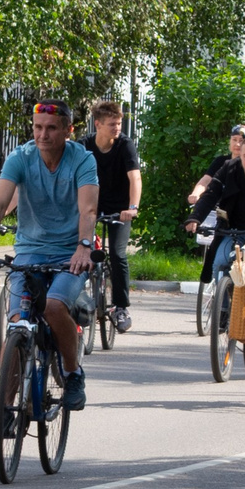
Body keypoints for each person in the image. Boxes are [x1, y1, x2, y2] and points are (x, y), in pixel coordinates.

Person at [0, 99, 99, 413]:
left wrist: (84, 246)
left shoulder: (82, 160)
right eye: (38, 127)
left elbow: (88, 209)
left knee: (53, 306)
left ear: (68, 130)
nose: (43, 134)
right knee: (17, 324)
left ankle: (72, 372)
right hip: (29, 251)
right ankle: (6, 410)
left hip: (70, 254)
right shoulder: (21, 157)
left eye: (52, 128)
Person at [86, 99, 141, 331]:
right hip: (91, 206)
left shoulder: (125, 145)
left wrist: (133, 207)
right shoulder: (84, 146)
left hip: (120, 209)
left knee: (118, 255)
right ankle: (77, 300)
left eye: (119, 123)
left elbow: (135, 178)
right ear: (97, 124)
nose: (117, 128)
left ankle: (120, 307)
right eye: (112, 124)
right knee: (80, 249)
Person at [187, 129, 245, 285]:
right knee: (220, 264)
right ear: (240, 155)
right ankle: (222, 308)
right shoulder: (229, 167)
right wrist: (195, 217)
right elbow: (211, 193)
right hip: (233, 230)